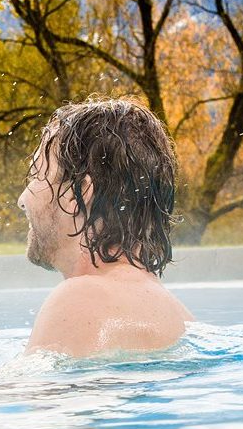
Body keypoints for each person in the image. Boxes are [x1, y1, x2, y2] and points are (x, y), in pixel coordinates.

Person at [17, 97, 194, 357]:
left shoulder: (80, 300)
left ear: (77, 195)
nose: (22, 200)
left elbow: (31, 395)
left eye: (36, 175)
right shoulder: (181, 318)